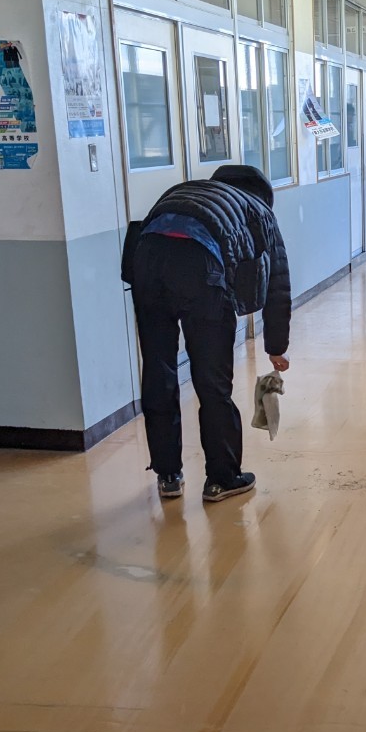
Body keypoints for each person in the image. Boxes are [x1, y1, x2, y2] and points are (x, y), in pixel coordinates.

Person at [127, 164, 291, 503]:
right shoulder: (259, 211)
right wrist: (276, 348)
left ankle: (168, 475)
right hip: (201, 268)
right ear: (264, 195)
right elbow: (278, 285)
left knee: (158, 370)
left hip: (146, 261)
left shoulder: (187, 192)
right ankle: (222, 479)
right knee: (212, 381)